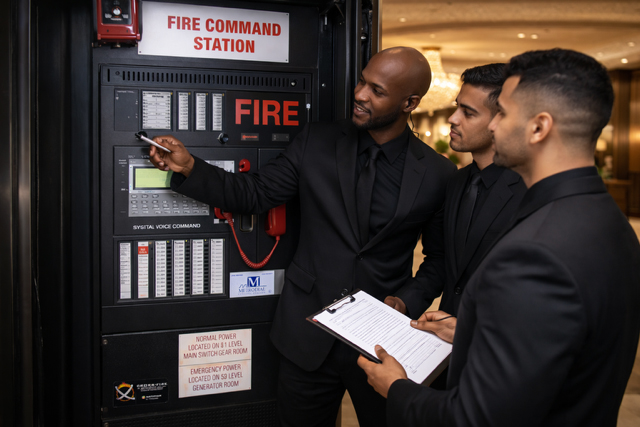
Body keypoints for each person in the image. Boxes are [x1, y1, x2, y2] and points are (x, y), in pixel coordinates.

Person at [148, 47, 456, 426]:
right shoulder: (317, 140)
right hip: (306, 334)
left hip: (382, 345)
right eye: (362, 81)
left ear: (409, 102)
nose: (359, 94)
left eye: (376, 90)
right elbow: (256, 193)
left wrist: (405, 302)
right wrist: (191, 167)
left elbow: (439, 259)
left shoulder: (440, 173)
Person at [358, 48, 640, 427]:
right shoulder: (609, 220)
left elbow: (477, 417)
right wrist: (474, 332)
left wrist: (397, 388)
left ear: (539, 128)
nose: (492, 126)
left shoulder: (535, 253)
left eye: (502, 113)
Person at [387, 64, 526, 345]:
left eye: (468, 112)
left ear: (503, 121)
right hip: (444, 347)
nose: (453, 118)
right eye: (456, 107)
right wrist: (405, 301)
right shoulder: (456, 181)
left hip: (496, 348)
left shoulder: (530, 192)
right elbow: (443, 261)